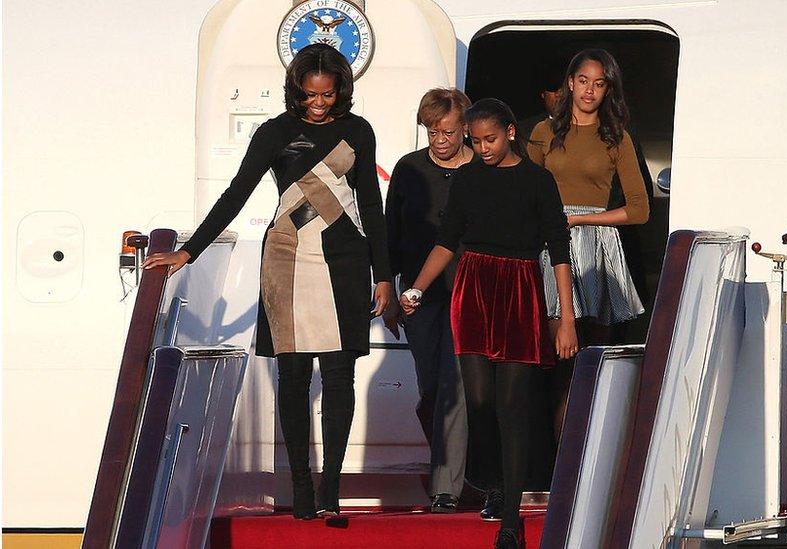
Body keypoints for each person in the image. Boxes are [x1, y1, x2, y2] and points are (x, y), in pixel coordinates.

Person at [142, 43, 393, 519]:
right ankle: (301, 486)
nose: (318, 105)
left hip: (344, 259)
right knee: (294, 376)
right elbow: (237, 192)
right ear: (295, 92)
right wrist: (189, 252)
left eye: (327, 96)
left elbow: (371, 205)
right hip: (287, 257)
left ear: (342, 90)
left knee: (340, 376)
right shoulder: (275, 132)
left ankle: (330, 489)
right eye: (309, 97)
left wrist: (385, 277)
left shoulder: (358, 131)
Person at [400, 98, 577, 549]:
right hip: (473, 287)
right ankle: (495, 482)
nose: (482, 149)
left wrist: (566, 319)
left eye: (490, 140)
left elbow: (559, 249)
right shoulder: (468, 179)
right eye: (475, 141)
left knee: (512, 405)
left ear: (511, 132)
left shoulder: (538, 181)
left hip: (519, 287)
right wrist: (417, 288)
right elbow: (447, 240)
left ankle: (511, 520)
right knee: (479, 403)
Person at [527, 49, 650, 441]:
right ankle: (555, 463)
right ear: (570, 82)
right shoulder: (545, 132)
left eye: (599, 84)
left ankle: (587, 459)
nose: (589, 91)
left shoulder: (617, 137)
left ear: (608, 89)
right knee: (556, 361)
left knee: (592, 365)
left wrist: (582, 218)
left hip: (597, 246)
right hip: (548, 245)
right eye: (583, 81)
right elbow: (523, 193)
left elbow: (639, 209)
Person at [383, 88, 473, 513]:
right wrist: (387, 289)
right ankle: (452, 465)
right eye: (432, 131)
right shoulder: (408, 168)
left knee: (456, 384)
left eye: (448, 132)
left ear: (465, 128)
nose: (439, 140)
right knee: (433, 387)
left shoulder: (482, 169)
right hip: (418, 293)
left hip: (470, 289)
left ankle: (446, 487)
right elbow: (391, 230)